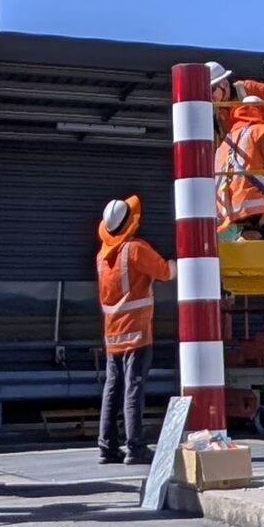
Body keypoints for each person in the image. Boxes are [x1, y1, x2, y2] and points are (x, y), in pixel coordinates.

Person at [95, 194, 170, 467]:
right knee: (133, 389)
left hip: (112, 335)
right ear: (131, 223)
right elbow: (164, 271)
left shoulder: (102, 257)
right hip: (137, 332)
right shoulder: (136, 249)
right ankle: (135, 447)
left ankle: (106, 447)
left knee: (112, 388)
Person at [214, 80, 264, 236]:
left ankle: (249, 234)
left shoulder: (225, 142)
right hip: (252, 204)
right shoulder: (260, 130)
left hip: (227, 209)